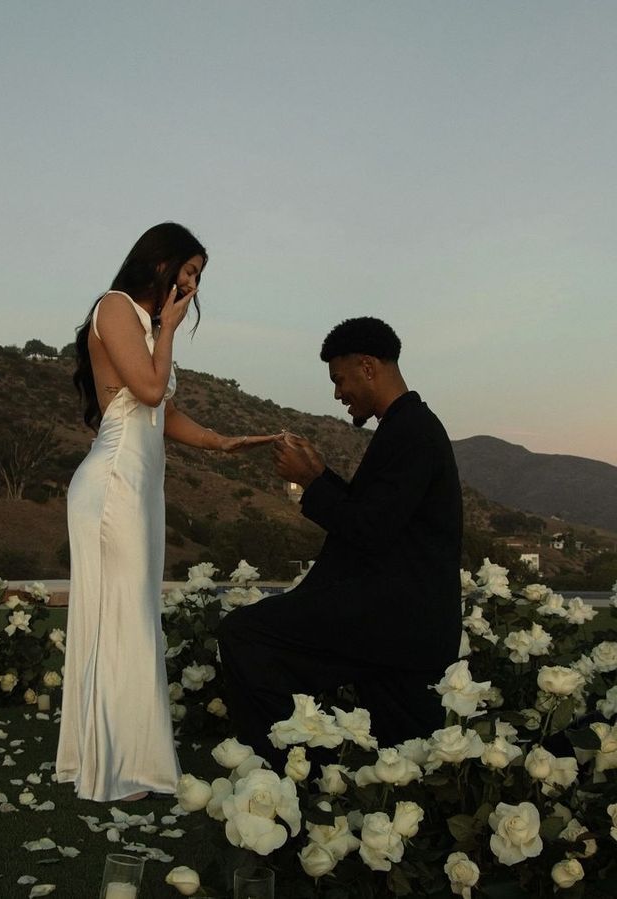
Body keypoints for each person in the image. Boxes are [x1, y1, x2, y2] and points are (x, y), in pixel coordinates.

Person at [56, 222, 275, 802]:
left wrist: (226, 443)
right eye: (190, 271)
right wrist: (170, 329)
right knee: (120, 618)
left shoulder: (147, 326)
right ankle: (118, 768)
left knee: (134, 616)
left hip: (140, 488)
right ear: (161, 263)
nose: (194, 285)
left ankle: (122, 761)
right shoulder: (116, 307)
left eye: (199, 277)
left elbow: (165, 417)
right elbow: (151, 394)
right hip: (111, 486)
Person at [218, 316, 463, 770]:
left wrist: (311, 480)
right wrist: (322, 475)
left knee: (243, 635)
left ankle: (285, 769)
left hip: (394, 619)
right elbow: (375, 513)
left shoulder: (412, 431)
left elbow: (370, 529)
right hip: (405, 619)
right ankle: (311, 759)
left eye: (339, 379)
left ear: (368, 366)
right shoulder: (407, 425)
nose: (336, 393)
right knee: (409, 757)